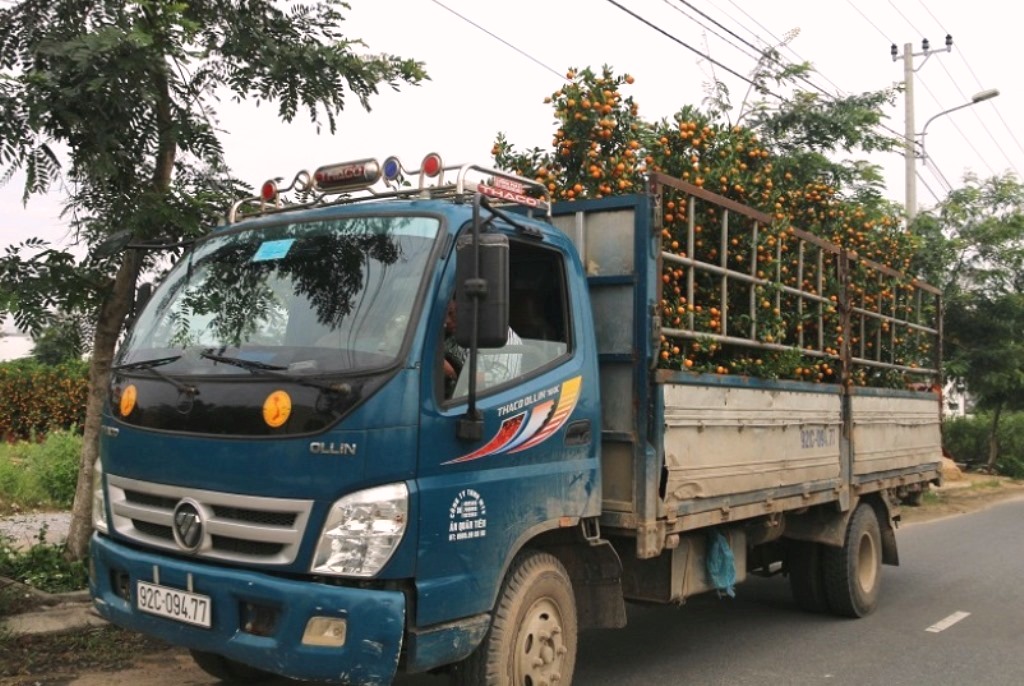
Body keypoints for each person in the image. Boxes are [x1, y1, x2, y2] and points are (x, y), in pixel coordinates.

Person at [441, 299, 522, 398]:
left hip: (486, 404)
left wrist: (458, 374)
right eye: (442, 316)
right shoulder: (451, 337)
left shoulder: (499, 336)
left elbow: (503, 378)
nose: (446, 321)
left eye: (451, 312)